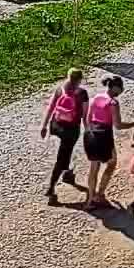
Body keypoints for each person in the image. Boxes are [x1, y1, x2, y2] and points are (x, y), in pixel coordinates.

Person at [41, 68, 87, 204]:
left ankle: (68, 173)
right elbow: (85, 115)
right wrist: (89, 129)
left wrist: (44, 126)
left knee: (66, 152)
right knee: (62, 156)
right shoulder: (82, 93)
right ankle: (51, 188)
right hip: (71, 130)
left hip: (56, 125)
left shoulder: (60, 89)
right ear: (79, 80)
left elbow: (51, 107)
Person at [82, 75, 125, 209]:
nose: (122, 91)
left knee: (93, 168)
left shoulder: (95, 98)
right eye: (121, 88)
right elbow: (118, 125)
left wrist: (90, 132)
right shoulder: (113, 103)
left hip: (90, 134)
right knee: (112, 163)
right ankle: (100, 194)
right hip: (104, 135)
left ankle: (89, 201)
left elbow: (88, 119)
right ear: (116, 87)